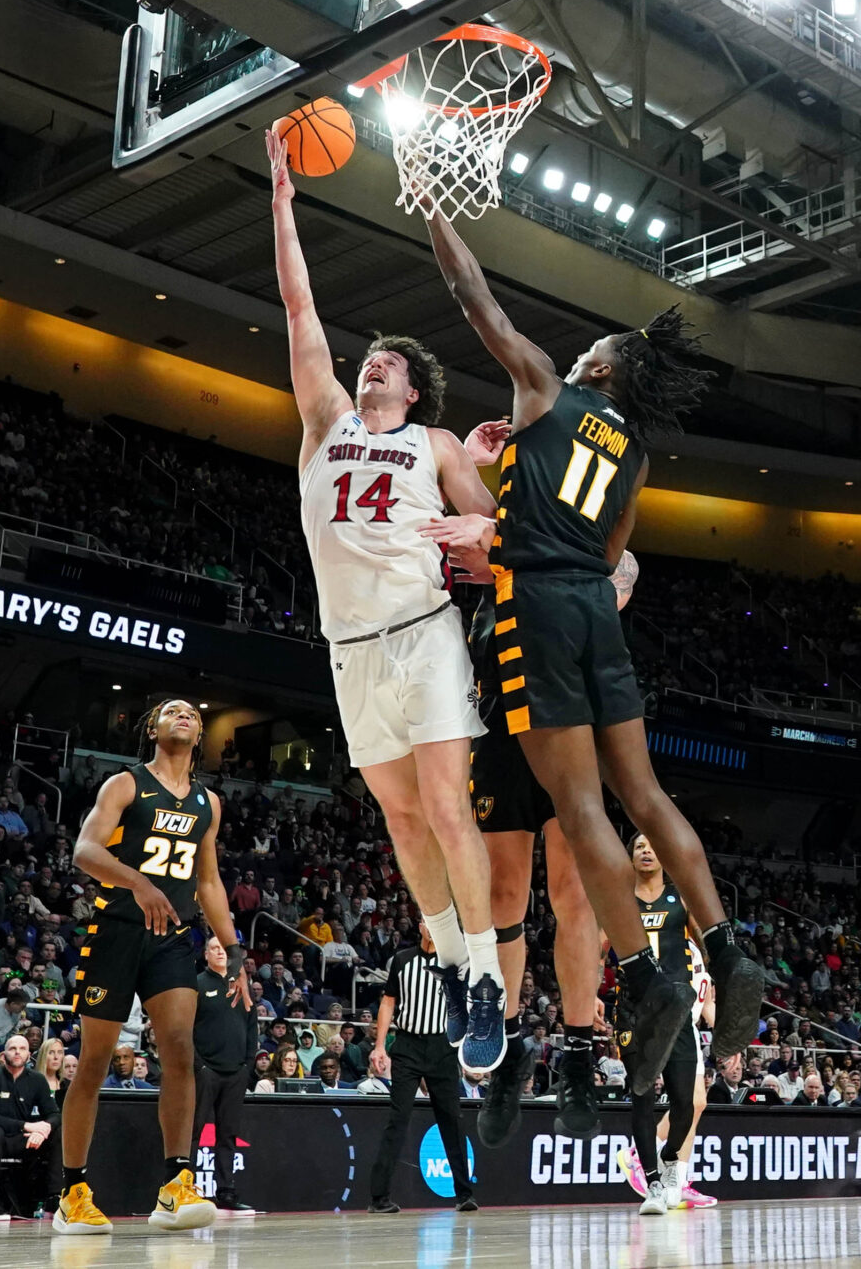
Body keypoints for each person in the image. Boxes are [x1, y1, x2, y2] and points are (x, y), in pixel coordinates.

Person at [417, 198, 770, 1106]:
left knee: (579, 809)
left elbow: (473, 297)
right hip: (596, 610)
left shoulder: (543, 385)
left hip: (534, 607)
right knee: (645, 794)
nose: (575, 355)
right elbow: (613, 556)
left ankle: (645, 983)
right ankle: (725, 950)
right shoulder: (636, 452)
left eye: (589, 352)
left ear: (603, 366)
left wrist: (434, 215)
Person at [270, 127, 505, 1073]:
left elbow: (495, 529)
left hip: (422, 632)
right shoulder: (323, 420)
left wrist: (475, 530)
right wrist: (283, 205)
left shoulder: (438, 444)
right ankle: (449, 962)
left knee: (449, 809)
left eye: (389, 365)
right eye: (368, 360)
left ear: (416, 389)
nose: (372, 366)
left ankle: (485, 982)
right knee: (402, 821)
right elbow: (299, 308)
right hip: (349, 646)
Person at [49, 698, 247, 1234]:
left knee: (182, 1051)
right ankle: (72, 1192)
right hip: (116, 932)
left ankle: (176, 1186)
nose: (182, 714)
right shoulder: (125, 785)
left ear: (200, 731)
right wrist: (139, 883)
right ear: (153, 728)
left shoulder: (209, 802)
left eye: (191, 713)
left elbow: (208, 882)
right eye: (171, 711)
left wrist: (235, 952)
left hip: (175, 939)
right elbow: (85, 852)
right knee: (93, 1061)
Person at [467, 545, 638, 1143]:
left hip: (573, 736)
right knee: (504, 897)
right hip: (500, 735)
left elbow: (618, 581)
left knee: (574, 894)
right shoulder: (508, 556)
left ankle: (577, 1056)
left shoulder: (595, 570)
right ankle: (509, 1049)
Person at [617, 831, 704, 1214]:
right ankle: (652, 1183)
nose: (646, 850)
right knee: (642, 1097)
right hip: (634, 1011)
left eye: (653, 845)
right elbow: (597, 946)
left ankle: (670, 1159)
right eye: (638, 846)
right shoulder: (618, 900)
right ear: (631, 857)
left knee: (685, 1101)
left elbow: (708, 944)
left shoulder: (681, 898)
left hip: (678, 1010)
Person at [364, 925, 475, 1215]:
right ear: (420, 927)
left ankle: (465, 1194)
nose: (433, 928)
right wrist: (379, 1046)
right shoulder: (402, 960)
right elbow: (388, 1001)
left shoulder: (455, 962)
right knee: (398, 1119)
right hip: (408, 1045)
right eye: (428, 922)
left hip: (442, 1047)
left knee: (451, 1119)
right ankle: (379, 1198)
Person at [192, 936, 261, 1216]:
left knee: (228, 1134)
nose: (220, 952)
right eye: (214, 948)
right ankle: (185, 1188)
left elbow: (252, 1027)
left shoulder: (241, 985)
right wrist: (199, 1065)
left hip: (236, 1072)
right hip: (206, 1070)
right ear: (206, 954)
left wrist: (247, 1066)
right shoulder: (196, 984)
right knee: (193, 1132)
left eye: (224, 949)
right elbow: (185, 1029)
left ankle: (226, 1191)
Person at [0, 1033, 56, 1217]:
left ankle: (54, 1198)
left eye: (22, 1049)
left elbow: (54, 1113)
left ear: (29, 1054)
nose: (17, 1053)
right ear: (4, 1052)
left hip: (24, 1140)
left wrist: (44, 1130)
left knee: (58, 1132)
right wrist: (27, 1126)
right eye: (12, 1048)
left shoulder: (37, 1079)